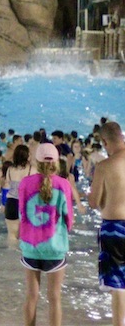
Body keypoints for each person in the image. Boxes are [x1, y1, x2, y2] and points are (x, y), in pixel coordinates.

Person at [19, 142, 75, 326]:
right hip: (55, 247)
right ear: (56, 163)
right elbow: (69, 219)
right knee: (55, 298)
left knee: (31, 296)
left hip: (30, 247)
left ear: (36, 161)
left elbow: (22, 214)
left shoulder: (25, 183)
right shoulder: (63, 184)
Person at [90, 120, 125, 326]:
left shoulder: (104, 166)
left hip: (115, 230)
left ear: (104, 141)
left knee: (119, 283)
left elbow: (94, 202)